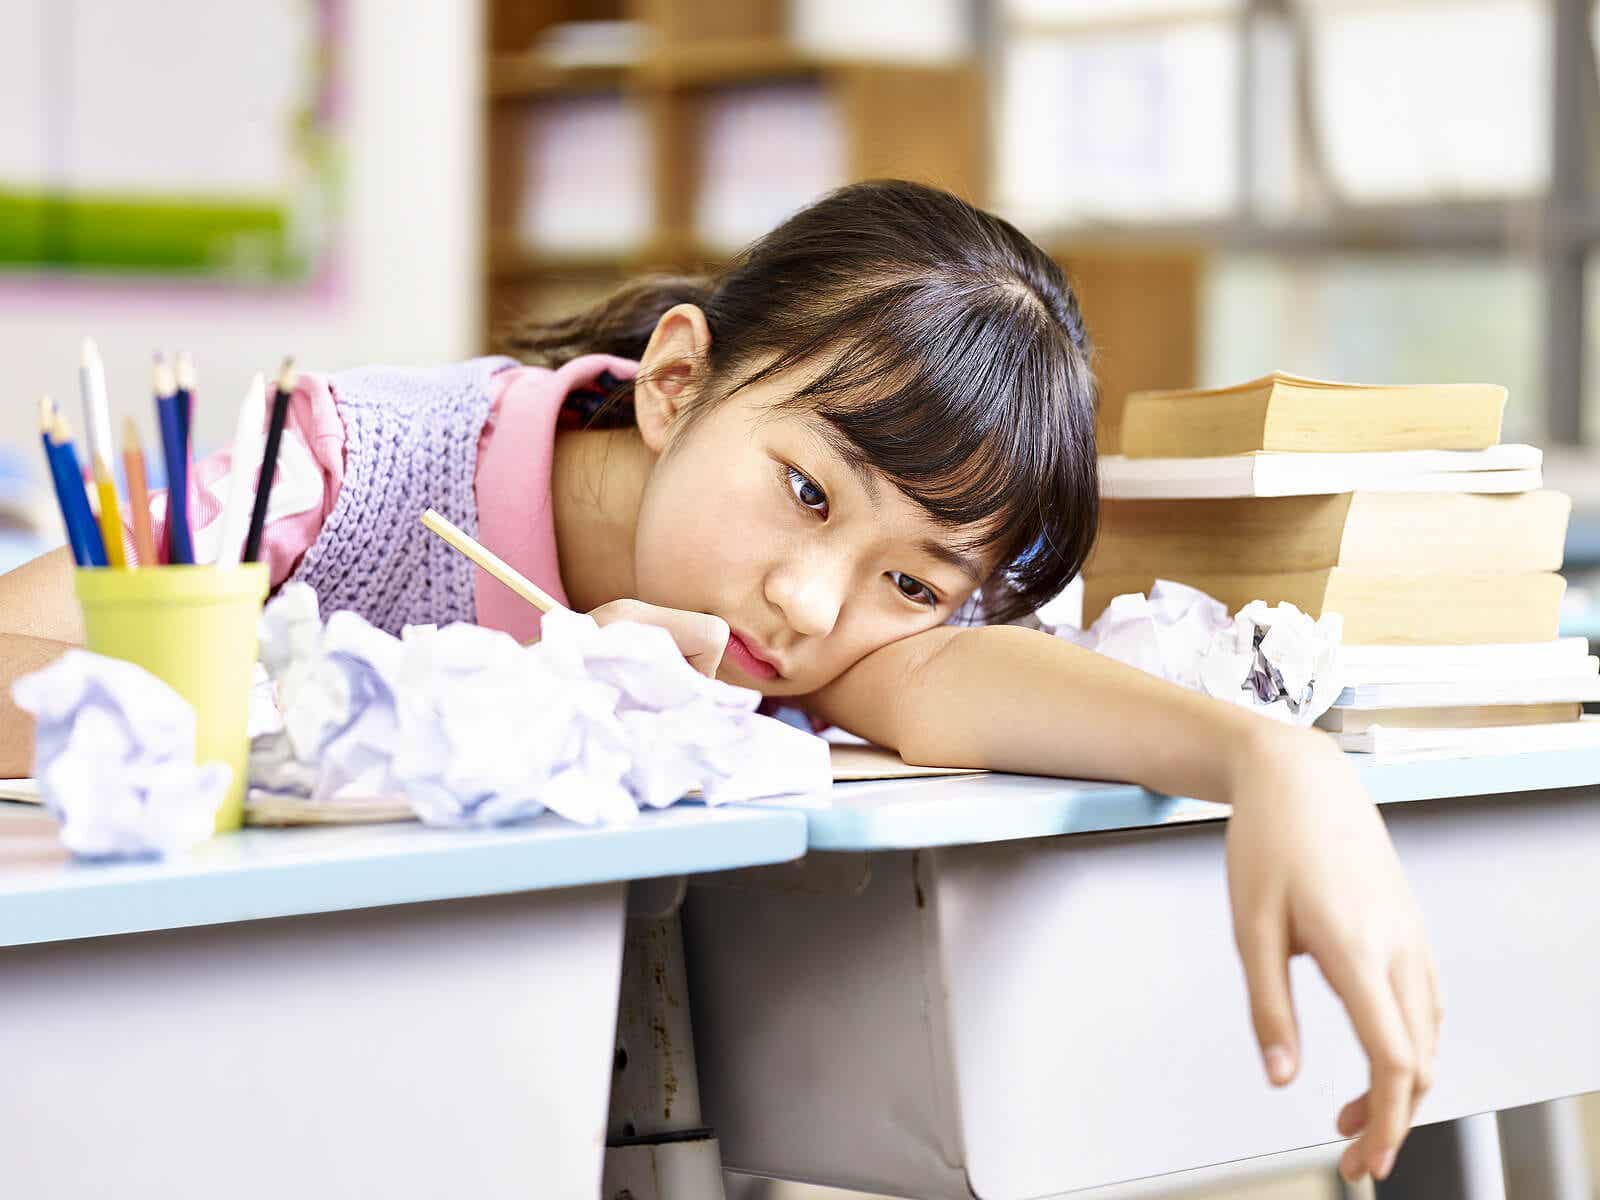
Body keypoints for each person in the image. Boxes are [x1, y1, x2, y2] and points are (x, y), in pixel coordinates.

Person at [0, 180, 1437, 1184]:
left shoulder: (824, 629)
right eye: (808, 493)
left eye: (914, 577)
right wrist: (453, 697)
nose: (814, 608)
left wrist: (1274, 762)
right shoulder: (344, 466)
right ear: (679, 380)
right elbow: (14, 665)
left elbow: (955, 688)